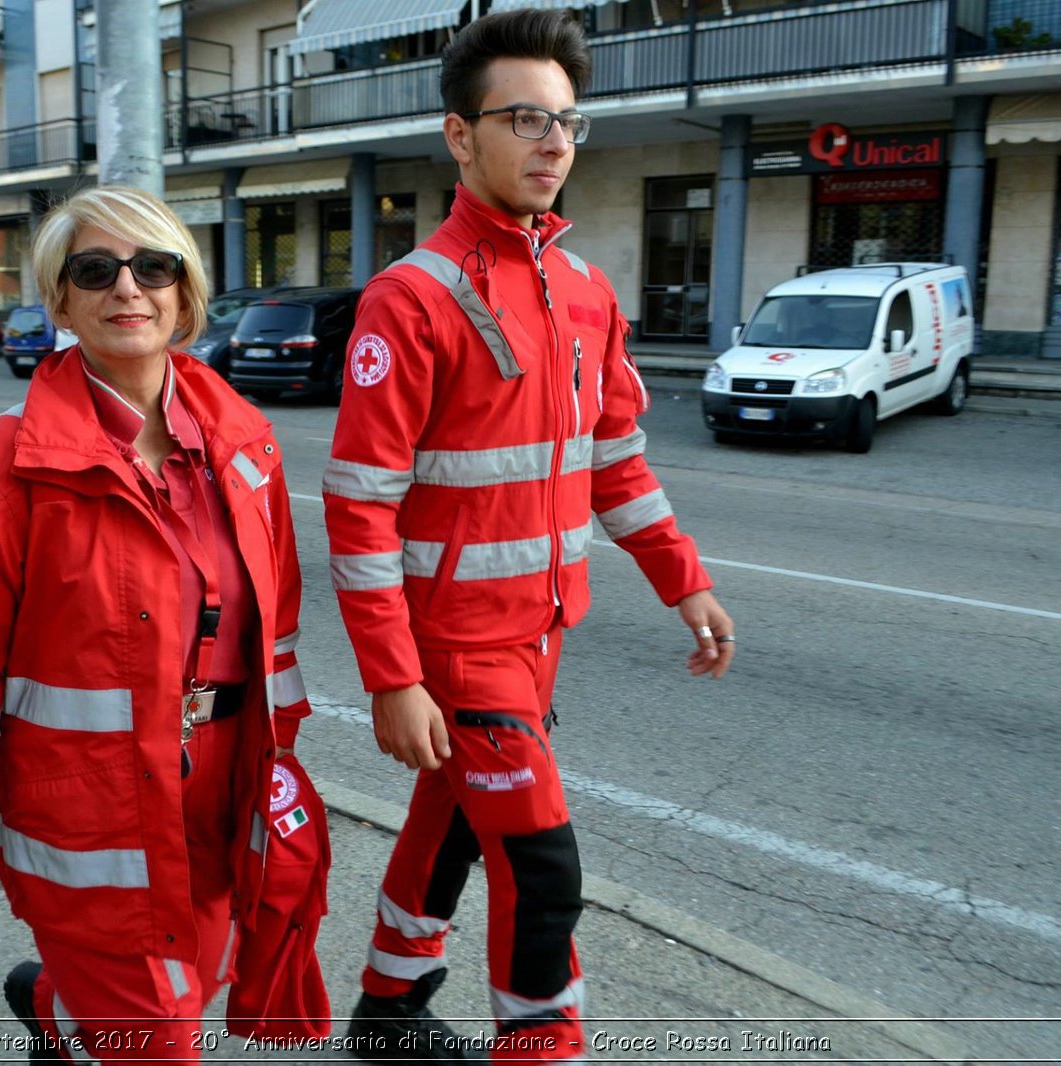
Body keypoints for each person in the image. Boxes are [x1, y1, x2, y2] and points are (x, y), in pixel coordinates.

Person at [323, 10, 737, 1062]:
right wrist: (391, 677)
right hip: (458, 648)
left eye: (565, 122)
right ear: (459, 135)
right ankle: (539, 1044)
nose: (552, 143)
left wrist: (681, 581)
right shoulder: (411, 300)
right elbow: (360, 503)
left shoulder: (586, 292)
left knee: (452, 822)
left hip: (541, 630)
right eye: (522, 119)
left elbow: (614, 462)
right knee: (544, 867)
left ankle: (388, 1005)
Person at [0, 185, 323, 1063]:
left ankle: (57, 1014)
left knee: (195, 980)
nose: (127, 288)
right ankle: (81, 1010)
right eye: (95, 270)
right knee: (162, 1038)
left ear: (184, 290)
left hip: (221, 784)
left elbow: (272, 630)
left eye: (153, 266)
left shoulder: (247, 446)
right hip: (85, 804)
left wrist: (279, 764)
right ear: (60, 298)